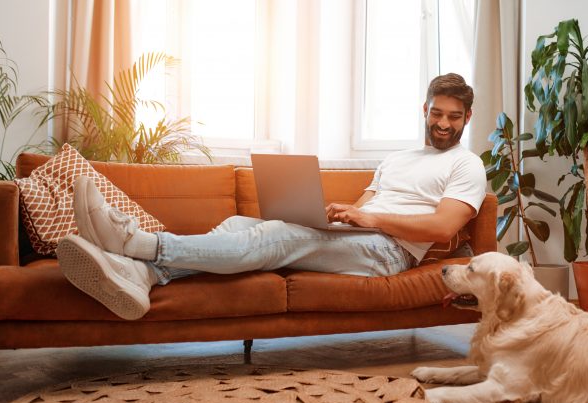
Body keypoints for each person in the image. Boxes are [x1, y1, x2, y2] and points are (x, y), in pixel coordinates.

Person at [56, 73, 488, 320]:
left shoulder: (466, 165)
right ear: (424, 109)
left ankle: (138, 245)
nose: (444, 124)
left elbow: (442, 227)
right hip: (360, 237)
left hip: (389, 253)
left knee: (279, 236)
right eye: (436, 113)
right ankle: (145, 276)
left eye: (453, 116)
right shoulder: (396, 158)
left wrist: (370, 220)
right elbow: (365, 204)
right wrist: (342, 214)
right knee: (239, 226)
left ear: (467, 117)